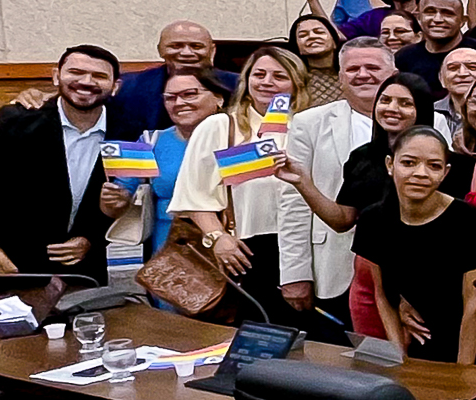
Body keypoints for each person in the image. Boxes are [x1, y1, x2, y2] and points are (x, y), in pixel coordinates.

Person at [0, 43, 136, 280]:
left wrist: (92, 238)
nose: (87, 81)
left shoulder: (129, 130)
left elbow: (124, 196)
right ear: (57, 76)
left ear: (115, 86)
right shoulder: (14, 120)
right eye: (76, 72)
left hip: (83, 270)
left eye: (99, 76)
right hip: (6, 265)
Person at [168, 43, 306, 319]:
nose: (267, 82)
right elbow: (193, 193)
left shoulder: (310, 126)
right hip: (245, 250)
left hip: (303, 249)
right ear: (247, 80)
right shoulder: (220, 126)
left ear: (296, 83)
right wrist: (218, 238)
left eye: (279, 76)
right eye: (259, 74)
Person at [273, 36, 393, 333]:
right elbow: (294, 202)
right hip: (334, 266)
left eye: (372, 67)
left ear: (393, 74)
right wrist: (295, 273)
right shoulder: (308, 123)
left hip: (400, 266)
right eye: (352, 69)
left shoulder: (431, 121)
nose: (362, 74)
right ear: (340, 78)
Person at [352, 126, 476, 362]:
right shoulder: (373, 220)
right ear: (389, 164)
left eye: (434, 166)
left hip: (475, 344)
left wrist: (463, 372)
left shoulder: (469, 220)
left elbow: (474, 306)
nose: (421, 173)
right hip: (420, 340)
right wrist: (399, 357)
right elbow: (383, 294)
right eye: (408, 163)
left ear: (445, 173)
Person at [142, 68, 223, 263]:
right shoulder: (151, 141)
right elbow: (119, 199)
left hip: (229, 247)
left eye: (190, 94)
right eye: (170, 98)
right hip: (170, 253)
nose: (179, 103)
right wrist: (114, 197)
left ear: (219, 98)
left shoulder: (240, 138)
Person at [113, 21, 219, 133]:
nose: (186, 53)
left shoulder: (235, 85)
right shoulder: (127, 87)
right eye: (176, 46)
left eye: (196, 46)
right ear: (160, 50)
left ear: (212, 50)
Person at [286, 12, 344, 109]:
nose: (312, 37)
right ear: (297, 46)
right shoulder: (294, 80)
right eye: (303, 35)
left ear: (334, 42)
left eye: (319, 32)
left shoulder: (351, 75)